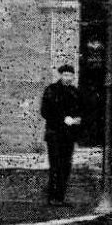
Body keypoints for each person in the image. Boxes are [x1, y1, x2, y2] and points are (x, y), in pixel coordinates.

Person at [40, 64, 84, 206]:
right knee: (56, 165)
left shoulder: (75, 92)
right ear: (60, 75)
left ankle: (60, 197)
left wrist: (79, 119)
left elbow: (82, 109)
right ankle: (53, 197)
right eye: (65, 75)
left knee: (66, 166)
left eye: (70, 75)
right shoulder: (52, 90)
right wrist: (63, 119)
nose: (68, 78)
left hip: (69, 136)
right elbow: (45, 111)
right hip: (55, 134)